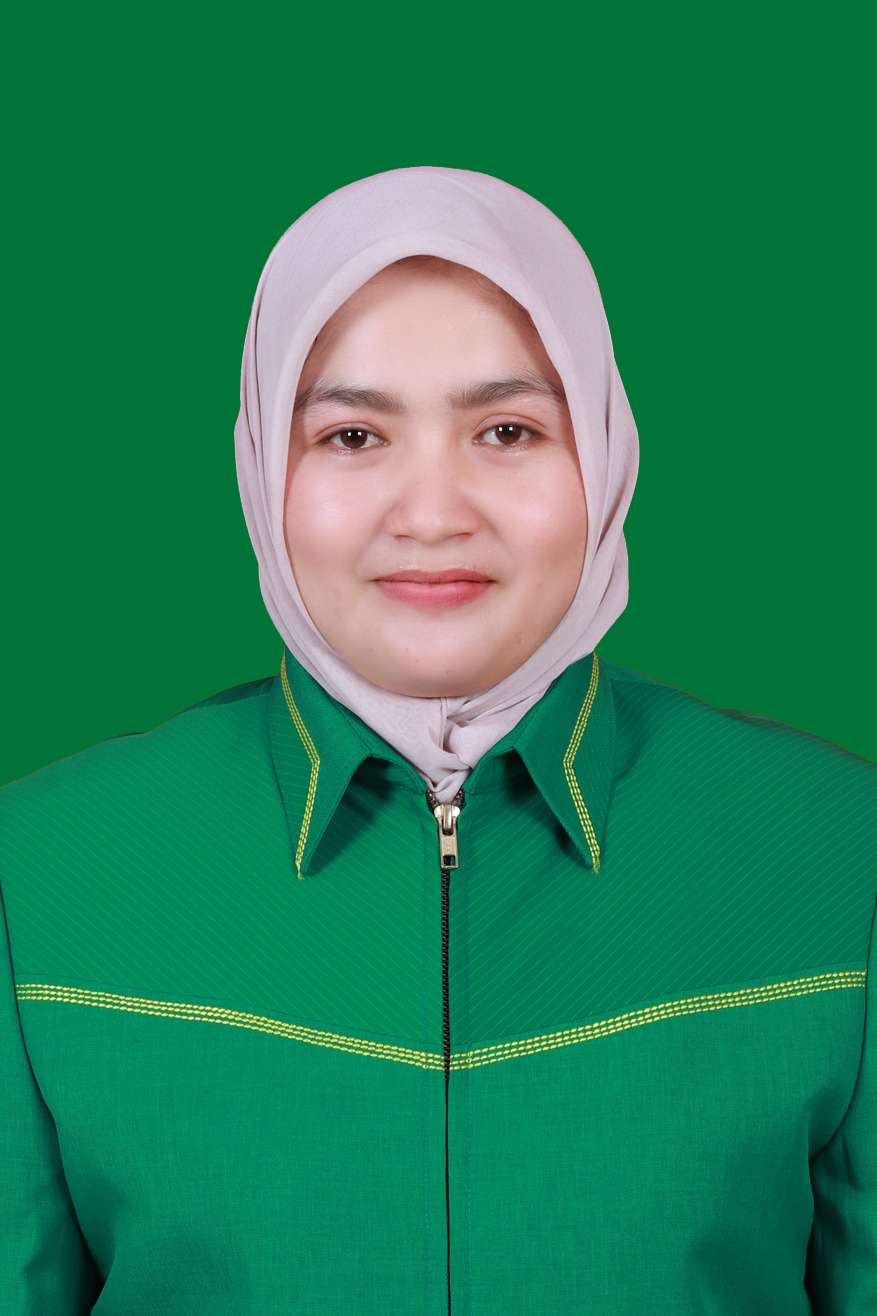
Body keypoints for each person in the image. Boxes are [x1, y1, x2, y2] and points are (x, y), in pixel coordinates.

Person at [1, 165, 874, 1314]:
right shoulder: (42, 874)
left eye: (506, 429)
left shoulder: (838, 852)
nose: (430, 512)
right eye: (352, 433)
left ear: (603, 449)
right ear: (264, 466)